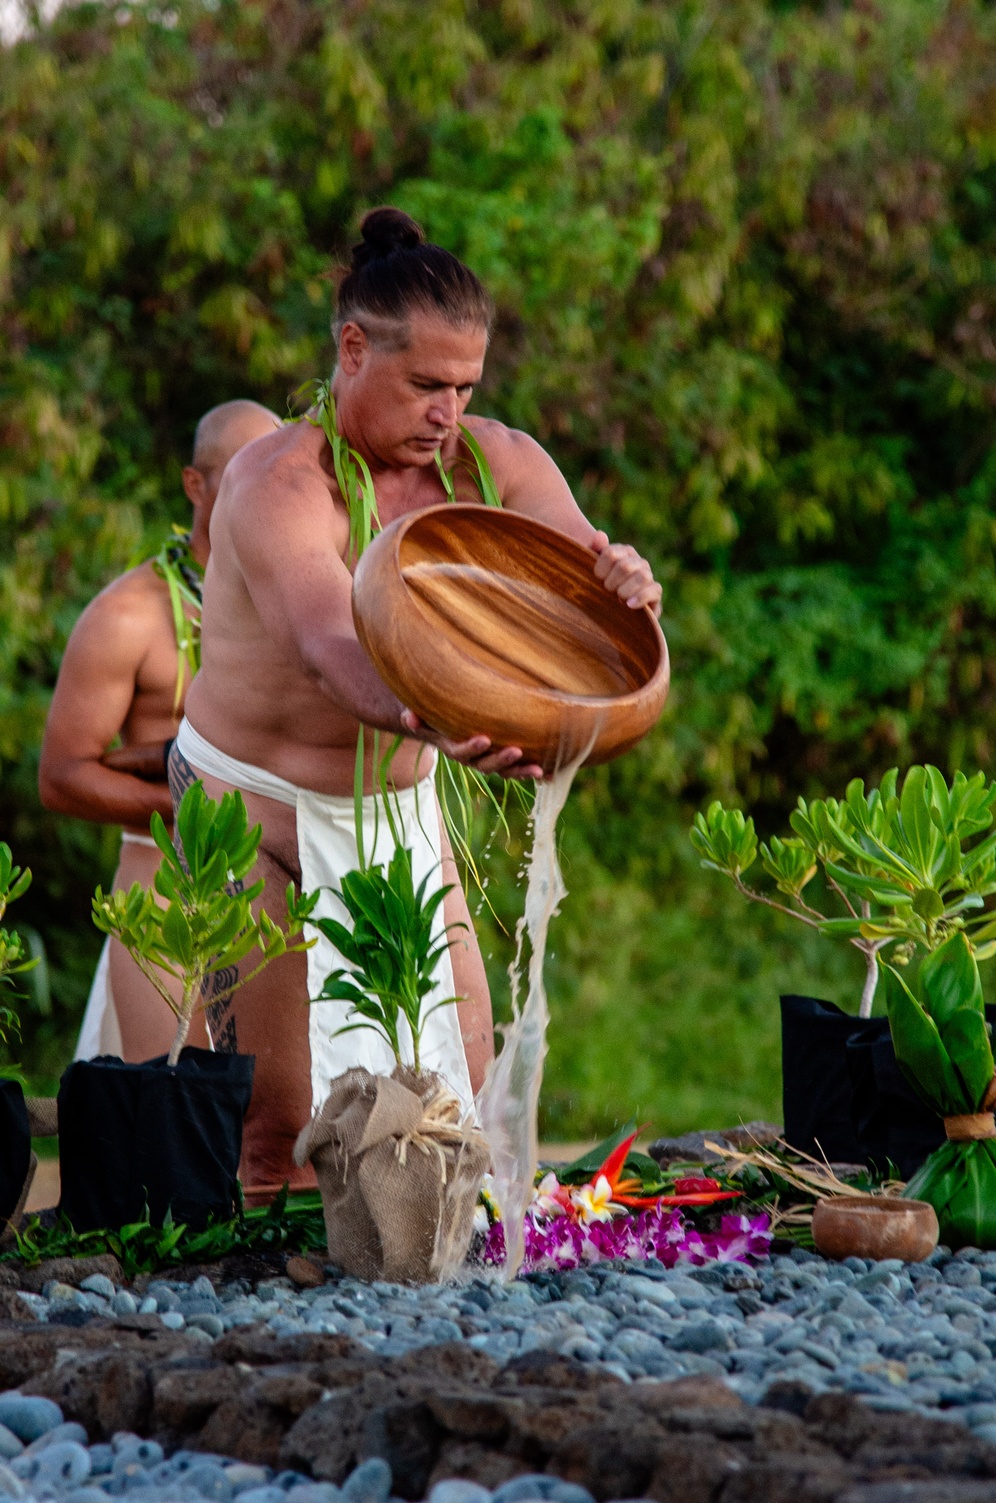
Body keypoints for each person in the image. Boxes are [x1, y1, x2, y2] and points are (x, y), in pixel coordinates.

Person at [172, 207, 662, 1201]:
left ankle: (436, 1303)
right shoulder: (280, 483)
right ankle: (276, 1335)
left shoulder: (493, 462)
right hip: (249, 808)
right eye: (426, 385)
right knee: (279, 1123)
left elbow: (574, 562)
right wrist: (445, 724)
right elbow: (329, 650)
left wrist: (621, 577)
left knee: (460, 1099)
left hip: (400, 811)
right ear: (352, 351)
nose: (448, 411)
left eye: (466, 387)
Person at [39, 400, 282, 1062]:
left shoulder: (300, 599)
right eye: (236, 473)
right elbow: (63, 776)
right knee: (175, 1109)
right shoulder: (128, 615)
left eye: (271, 472)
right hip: (164, 889)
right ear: (194, 485)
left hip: (283, 888)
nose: (254, 491)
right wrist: (199, 812)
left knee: (282, 1131)